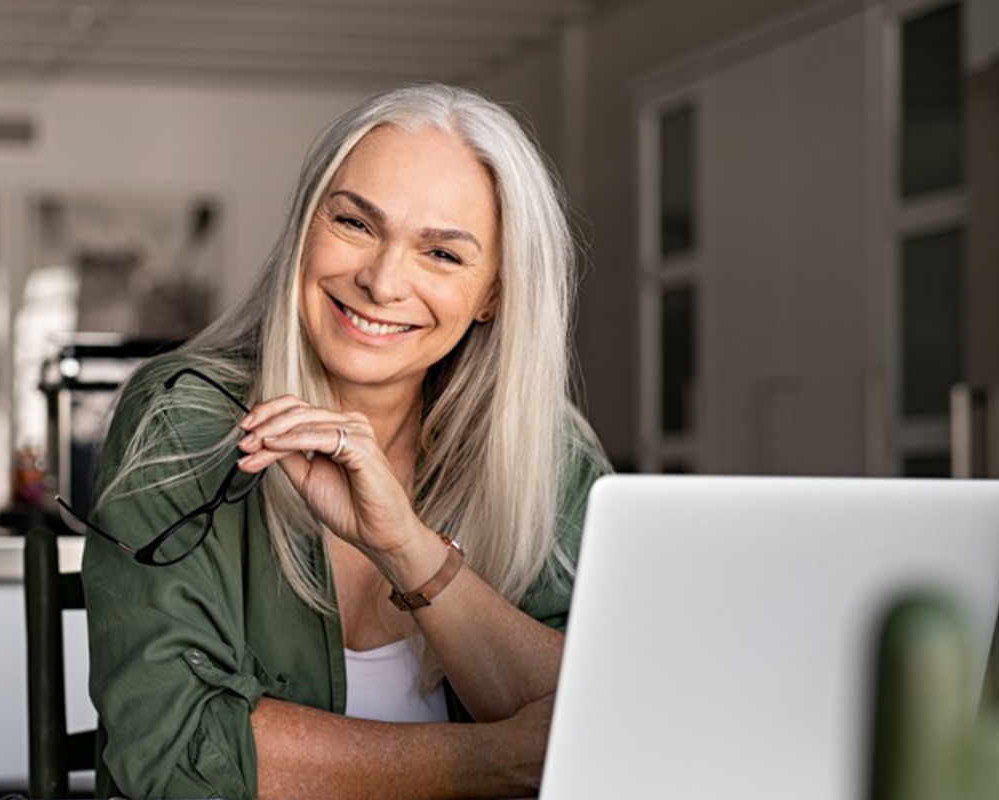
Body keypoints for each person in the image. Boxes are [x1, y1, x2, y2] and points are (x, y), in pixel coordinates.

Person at [73, 84, 610, 800]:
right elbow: (170, 752)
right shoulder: (184, 417)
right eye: (356, 223)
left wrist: (406, 549)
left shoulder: (545, 452)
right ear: (305, 226)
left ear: (494, 295)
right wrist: (480, 762)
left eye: (443, 254)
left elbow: (608, 725)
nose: (382, 281)